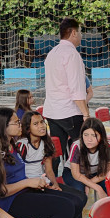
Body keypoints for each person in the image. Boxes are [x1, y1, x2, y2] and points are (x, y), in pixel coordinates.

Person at [0, 107, 88, 218]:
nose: (20, 125)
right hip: (10, 202)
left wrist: (38, 183)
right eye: (16, 122)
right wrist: (27, 183)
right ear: (3, 127)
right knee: (65, 207)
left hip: (25, 191)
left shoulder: (12, 145)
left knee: (76, 200)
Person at [43, 18, 89, 176]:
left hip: (53, 111)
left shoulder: (52, 53)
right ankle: (79, 181)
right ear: (74, 33)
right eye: (80, 32)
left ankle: (52, 181)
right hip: (69, 111)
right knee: (81, 149)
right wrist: (85, 113)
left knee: (56, 152)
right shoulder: (71, 54)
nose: (81, 36)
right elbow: (75, 88)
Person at [67, 118, 110, 199]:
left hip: (95, 173)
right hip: (74, 173)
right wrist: (97, 188)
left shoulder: (107, 146)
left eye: (94, 135)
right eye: (85, 135)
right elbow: (76, 174)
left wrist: (89, 184)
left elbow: (109, 169)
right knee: (80, 195)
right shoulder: (77, 146)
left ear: (101, 136)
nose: (89, 139)